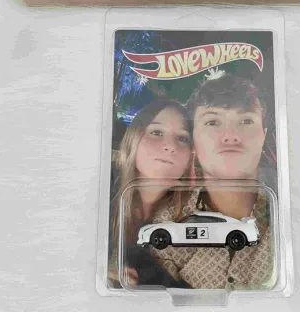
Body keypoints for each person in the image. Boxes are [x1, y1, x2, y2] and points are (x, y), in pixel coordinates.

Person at [148, 73, 277, 290]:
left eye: (246, 120)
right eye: (212, 122)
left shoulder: (293, 212)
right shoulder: (168, 222)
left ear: (263, 135)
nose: (231, 136)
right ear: (193, 139)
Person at [107, 99, 194, 289]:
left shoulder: (194, 216)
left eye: (182, 138)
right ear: (134, 139)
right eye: (156, 133)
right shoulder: (102, 194)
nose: (170, 146)